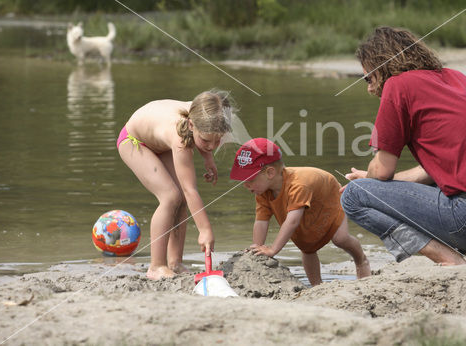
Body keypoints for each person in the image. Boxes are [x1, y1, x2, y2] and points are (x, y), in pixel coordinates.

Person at [341, 27, 466, 266]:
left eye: (368, 79)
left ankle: (448, 260)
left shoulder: (398, 86)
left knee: (353, 196)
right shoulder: (455, 77)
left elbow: (382, 170)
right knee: (450, 178)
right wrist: (377, 183)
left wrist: (368, 182)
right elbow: (432, 171)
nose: (369, 89)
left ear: (381, 67)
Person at [117, 90, 233, 280]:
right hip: (134, 141)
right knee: (171, 196)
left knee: (181, 199)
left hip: (159, 142)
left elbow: (205, 136)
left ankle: (175, 263)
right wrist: (205, 230)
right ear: (191, 124)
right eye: (206, 141)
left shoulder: (210, 114)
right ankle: (156, 266)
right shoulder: (180, 138)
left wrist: (208, 158)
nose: (212, 146)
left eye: (217, 140)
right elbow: (191, 189)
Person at [230, 138, 371, 285]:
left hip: (328, 196)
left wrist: (273, 250)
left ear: (270, 173)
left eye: (249, 179)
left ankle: (361, 260)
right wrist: (257, 247)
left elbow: (292, 221)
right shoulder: (262, 191)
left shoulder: (298, 185)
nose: (245, 185)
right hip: (305, 204)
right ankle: (317, 286)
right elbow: (261, 220)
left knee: (340, 238)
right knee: (306, 246)